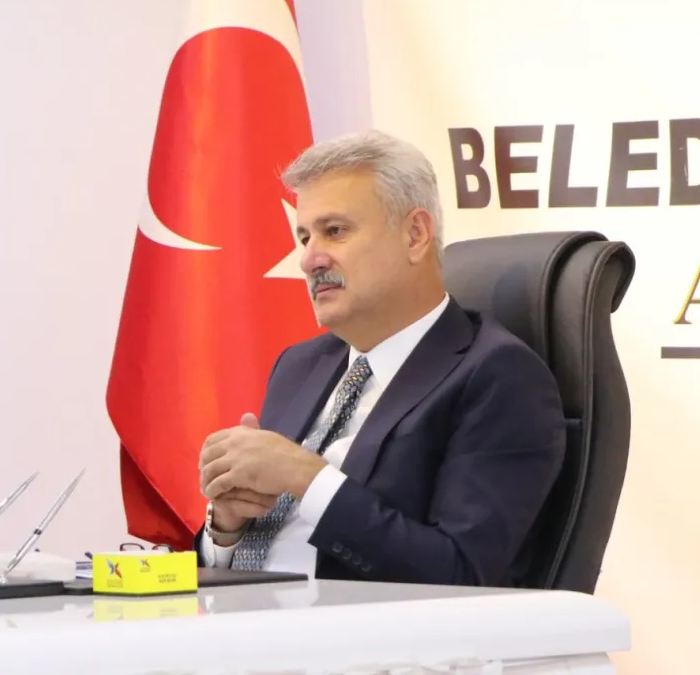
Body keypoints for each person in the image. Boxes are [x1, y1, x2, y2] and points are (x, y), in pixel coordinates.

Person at [194, 129, 566, 587]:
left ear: (415, 235)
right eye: (304, 237)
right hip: (236, 623)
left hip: (359, 631)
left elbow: (461, 575)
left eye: (335, 231)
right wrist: (226, 528)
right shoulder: (298, 366)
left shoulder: (497, 375)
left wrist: (307, 478)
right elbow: (227, 563)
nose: (309, 260)